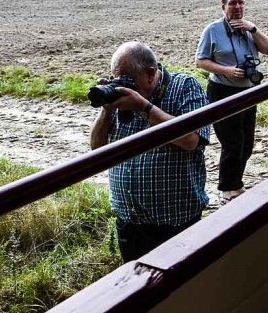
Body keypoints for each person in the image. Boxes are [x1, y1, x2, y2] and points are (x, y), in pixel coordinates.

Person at [90, 41, 210, 262]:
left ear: (150, 74)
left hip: (174, 223)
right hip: (129, 223)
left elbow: (192, 140)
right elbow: (97, 150)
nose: (123, 86)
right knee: (140, 290)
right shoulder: (121, 98)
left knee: (181, 290)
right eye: (117, 79)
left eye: (128, 80)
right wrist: (106, 112)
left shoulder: (183, 86)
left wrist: (144, 107)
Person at [195, 0, 268, 201]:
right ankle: (229, 189)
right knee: (233, 142)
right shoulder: (212, 30)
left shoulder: (249, 29)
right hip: (222, 91)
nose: (237, 7)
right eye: (232, 3)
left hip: (249, 91)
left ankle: (235, 182)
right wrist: (227, 70)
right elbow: (200, 61)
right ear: (223, 7)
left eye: (240, 3)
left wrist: (254, 29)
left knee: (247, 142)